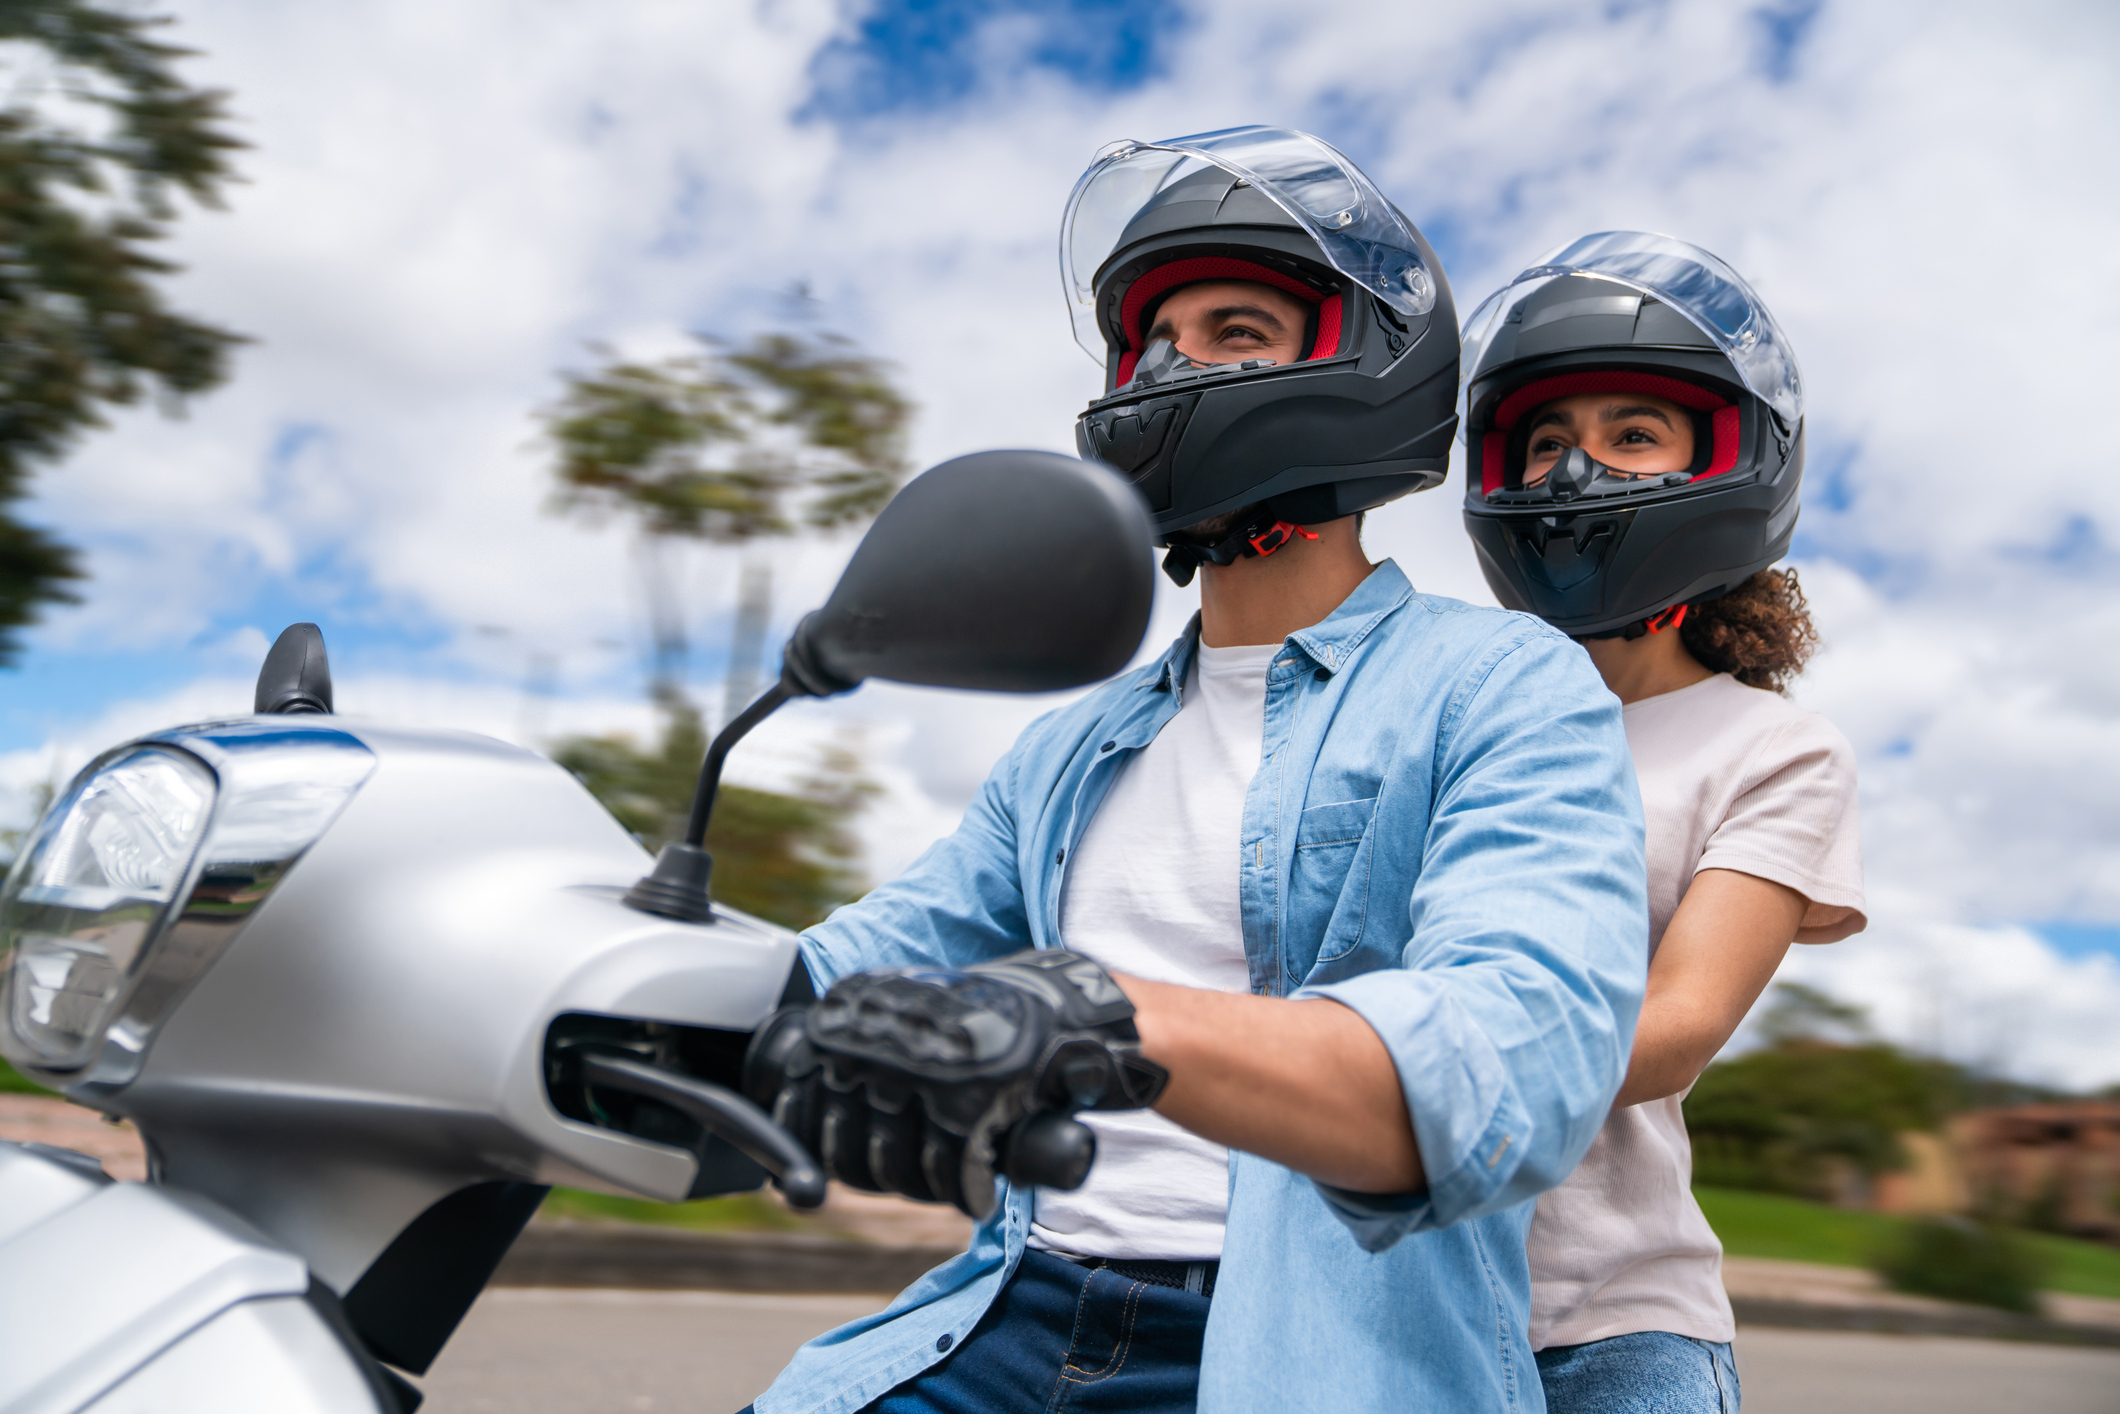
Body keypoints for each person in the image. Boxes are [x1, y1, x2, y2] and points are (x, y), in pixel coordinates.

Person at [739, 128, 1650, 1414]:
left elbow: (1520, 1054)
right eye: (1150, 338)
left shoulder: (1501, 684)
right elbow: (856, 959)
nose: (1170, 366)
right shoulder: (1073, 742)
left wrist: (1100, 1012)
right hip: (1006, 1306)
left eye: (1234, 330)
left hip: (1300, 1348)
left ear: (1360, 364)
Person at [1458, 232, 1868, 1413]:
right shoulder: (1442, 711)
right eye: (1545, 442)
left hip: (1612, 1323)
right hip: (1384, 1291)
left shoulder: (1771, 747)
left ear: (1727, 464)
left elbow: (1678, 1025)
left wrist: (1388, 1083)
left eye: (1630, 435)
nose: (1571, 473)